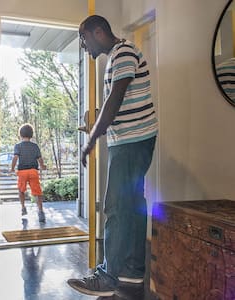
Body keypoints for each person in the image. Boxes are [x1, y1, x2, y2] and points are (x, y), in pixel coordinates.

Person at [67, 15, 158, 297]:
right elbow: (116, 102)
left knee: (116, 207)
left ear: (98, 32)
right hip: (131, 141)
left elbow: (115, 99)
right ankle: (131, 272)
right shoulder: (118, 56)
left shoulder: (124, 52)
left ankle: (107, 277)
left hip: (132, 142)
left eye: (84, 39)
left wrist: (91, 139)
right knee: (132, 206)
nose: (84, 46)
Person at [10, 123, 47, 222]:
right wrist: (43, 166)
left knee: (21, 190)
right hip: (33, 171)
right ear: (31, 134)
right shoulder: (35, 146)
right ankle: (40, 211)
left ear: (20, 134)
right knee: (37, 192)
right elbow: (40, 158)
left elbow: (15, 157)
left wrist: (12, 168)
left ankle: (23, 207)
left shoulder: (18, 146)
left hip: (22, 172)